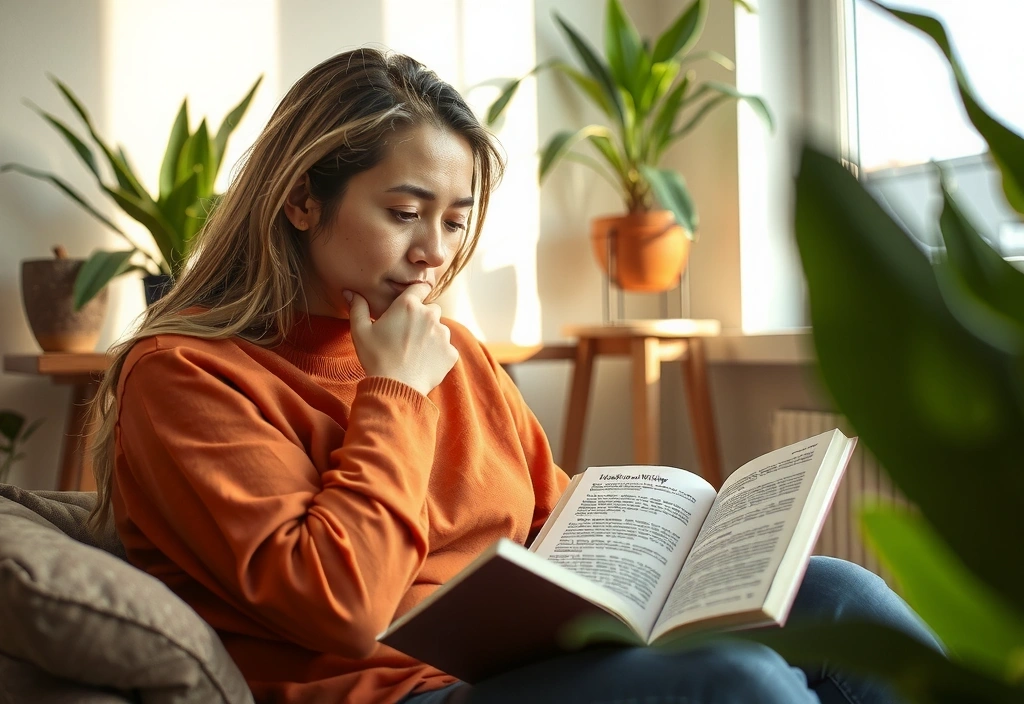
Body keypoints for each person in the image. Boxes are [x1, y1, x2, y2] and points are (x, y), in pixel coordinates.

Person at [86, 48, 941, 704]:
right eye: (404, 213)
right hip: (395, 692)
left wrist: (683, 555)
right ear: (303, 200)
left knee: (836, 593)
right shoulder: (186, 376)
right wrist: (393, 396)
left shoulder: (445, 346)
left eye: (455, 221)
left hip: (522, 662)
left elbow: (543, 518)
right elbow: (339, 606)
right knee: (736, 680)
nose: (434, 251)